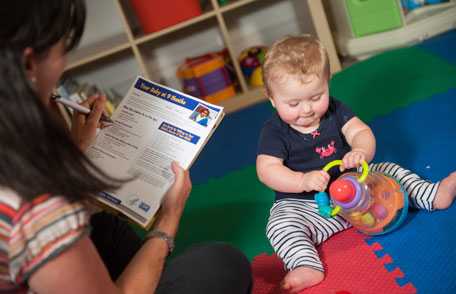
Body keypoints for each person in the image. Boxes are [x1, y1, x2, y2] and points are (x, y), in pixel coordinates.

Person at [0, 1, 252, 293]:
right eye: (62, 48)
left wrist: (77, 152)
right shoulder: (35, 204)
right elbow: (41, 218)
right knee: (220, 265)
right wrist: (167, 223)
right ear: (30, 64)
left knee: (104, 227)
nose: (65, 64)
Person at [256, 34, 456, 293]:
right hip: (310, 209)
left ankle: (433, 194)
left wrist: (360, 150)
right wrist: (301, 181)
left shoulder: (336, 111)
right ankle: (306, 264)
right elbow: (267, 170)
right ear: (271, 98)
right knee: (279, 225)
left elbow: (360, 132)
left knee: (389, 171)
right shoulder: (274, 131)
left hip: (360, 192)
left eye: (316, 97)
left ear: (327, 83)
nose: (306, 109)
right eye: (293, 103)